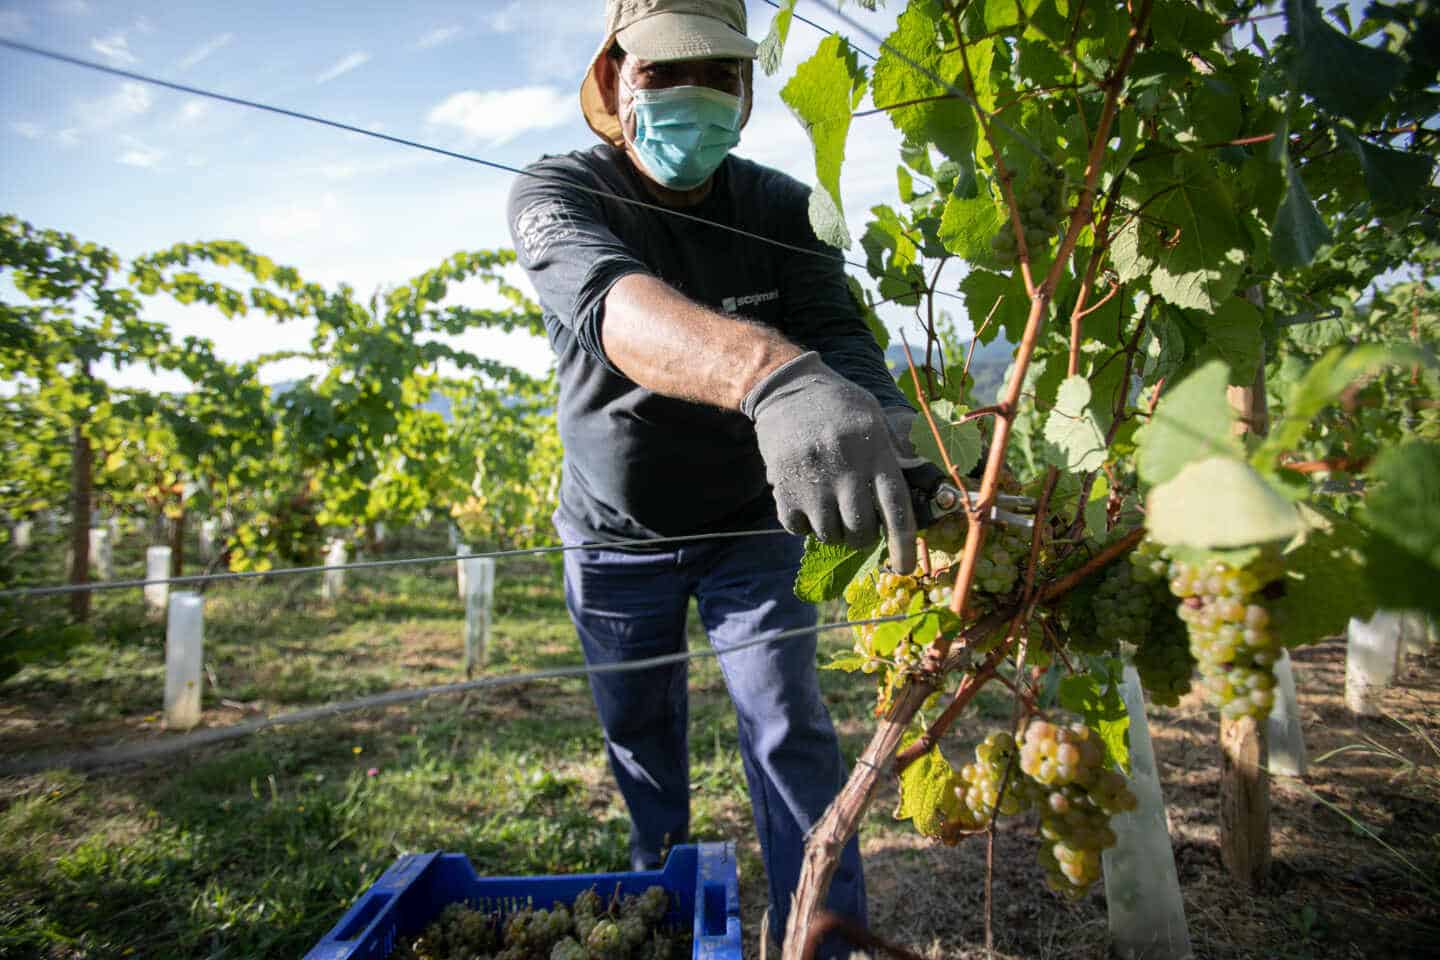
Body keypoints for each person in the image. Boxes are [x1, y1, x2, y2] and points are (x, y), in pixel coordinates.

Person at [505, 0, 923, 949]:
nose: (693, 94)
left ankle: (822, 933)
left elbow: (844, 338)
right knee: (641, 742)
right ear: (615, 80)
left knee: (789, 728)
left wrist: (888, 433)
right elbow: (617, 307)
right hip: (614, 538)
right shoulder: (557, 191)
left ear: (745, 91)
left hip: (755, 529)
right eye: (664, 72)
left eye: (719, 75)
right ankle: (663, 914)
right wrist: (770, 376)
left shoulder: (782, 208)